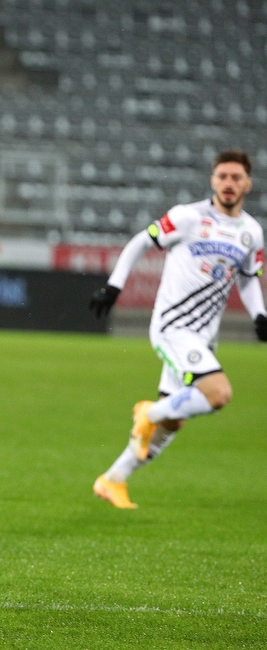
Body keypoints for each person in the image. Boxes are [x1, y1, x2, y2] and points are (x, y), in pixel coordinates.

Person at [90, 149, 267, 509]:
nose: (228, 183)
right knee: (217, 394)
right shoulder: (188, 217)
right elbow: (142, 241)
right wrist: (114, 286)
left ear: (248, 183)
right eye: (222, 176)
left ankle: (113, 479)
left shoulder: (251, 232)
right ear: (213, 180)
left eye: (235, 177)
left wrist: (259, 315)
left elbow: (249, 279)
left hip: (204, 337)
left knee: (175, 420)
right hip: (173, 327)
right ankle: (147, 412)